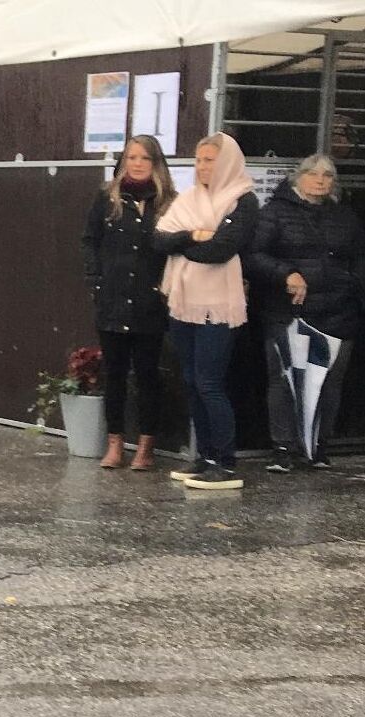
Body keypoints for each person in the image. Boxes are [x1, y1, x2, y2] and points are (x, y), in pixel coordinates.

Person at [244, 154, 365, 471]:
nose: (321, 180)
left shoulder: (344, 217)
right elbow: (254, 255)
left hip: (339, 312)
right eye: (313, 174)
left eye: (327, 175)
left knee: (329, 382)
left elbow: (358, 258)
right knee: (285, 378)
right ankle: (283, 447)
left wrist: (352, 286)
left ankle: (318, 446)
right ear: (298, 178)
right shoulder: (274, 213)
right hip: (289, 311)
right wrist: (285, 274)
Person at [152, 133, 258, 490]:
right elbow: (159, 240)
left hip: (217, 305)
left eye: (210, 160)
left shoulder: (242, 200)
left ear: (226, 162)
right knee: (192, 381)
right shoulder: (188, 198)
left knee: (211, 383)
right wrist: (191, 236)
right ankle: (205, 456)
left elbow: (221, 250)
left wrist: (183, 245)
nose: (202, 167)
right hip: (183, 302)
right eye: (199, 161)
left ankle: (225, 462)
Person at [81, 135, 177, 470]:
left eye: (144, 158)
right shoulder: (107, 197)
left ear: (156, 164)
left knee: (148, 374)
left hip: (150, 301)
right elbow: (90, 241)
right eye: (131, 157)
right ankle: (115, 443)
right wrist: (97, 282)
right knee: (116, 373)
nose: (136, 164)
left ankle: (146, 447)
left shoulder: (168, 201)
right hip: (113, 299)